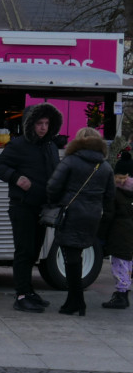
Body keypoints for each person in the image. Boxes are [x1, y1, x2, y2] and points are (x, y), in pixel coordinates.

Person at [0, 103, 63, 313]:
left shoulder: (50, 146)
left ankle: (29, 291)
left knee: (34, 252)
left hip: (43, 208)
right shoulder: (18, 145)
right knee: (24, 252)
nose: (43, 127)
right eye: (39, 123)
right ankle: (21, 295)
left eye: (47, 123)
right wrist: (16, 177)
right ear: (30, 124)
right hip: (22, 207)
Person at [46, 126, 115, 316]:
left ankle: (76, 302)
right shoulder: (105, 166)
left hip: (72, 213)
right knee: (77, 255)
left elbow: (53, 186)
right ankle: (75, 301)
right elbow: (110, 196)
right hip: (92, 215)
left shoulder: (70, 161)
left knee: (71, 257)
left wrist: (56, 203)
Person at [99, 151, 133, 309]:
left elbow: (108, 216)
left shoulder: (115, 193)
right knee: (128, 265)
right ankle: (123, 293)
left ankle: (121, 295)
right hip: (129, 237)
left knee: (119, 265)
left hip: (119, 235)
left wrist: (101, 234)